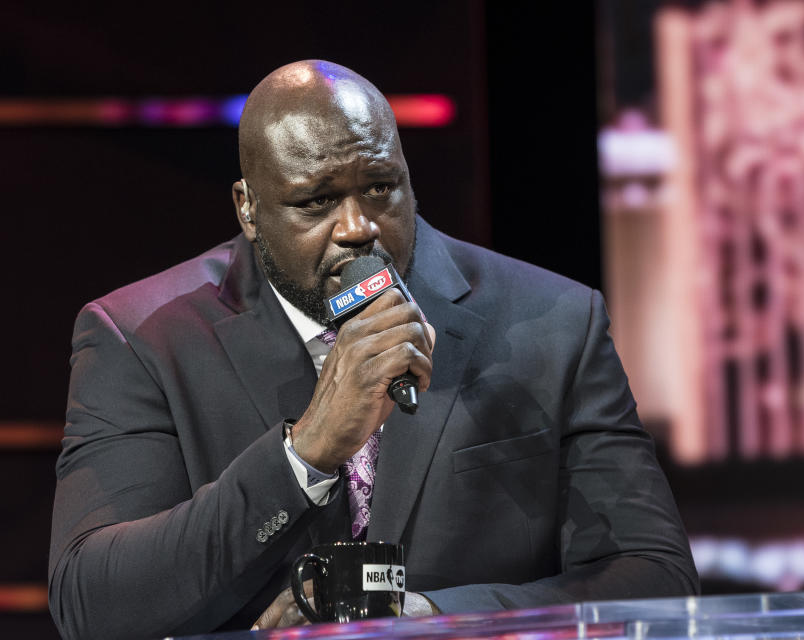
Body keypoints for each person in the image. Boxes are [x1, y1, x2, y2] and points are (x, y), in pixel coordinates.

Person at [48, 60, 698, 640]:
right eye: (317, 202)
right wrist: (304, 454)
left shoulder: (554, 322)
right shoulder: (140, 338)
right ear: (249, 209)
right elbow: (96, 606)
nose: (358, 229)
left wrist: (430, 619)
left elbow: (656, 576)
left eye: (381, 188)